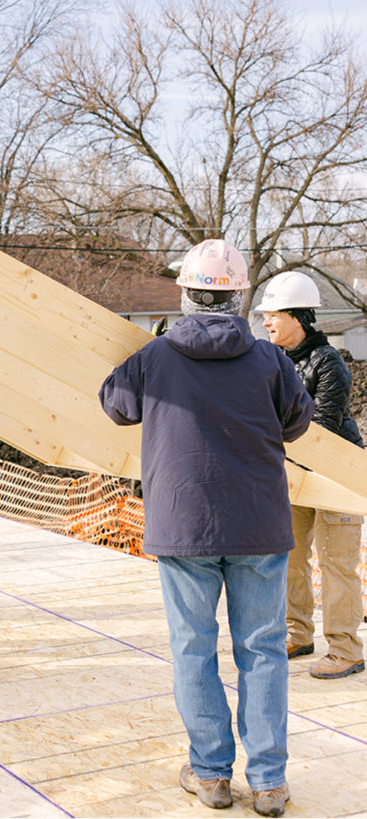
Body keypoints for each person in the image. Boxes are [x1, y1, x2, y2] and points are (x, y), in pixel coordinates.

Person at [99, 239, 313, 818]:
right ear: (238, 293)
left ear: (187, 294)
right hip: (260, 525)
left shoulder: (156, 356)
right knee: (263, 650)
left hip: (184, 525)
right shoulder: (270, 359)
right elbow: (297, 423)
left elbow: (113, 406)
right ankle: (269, 783)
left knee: (194, 649)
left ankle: (212, 775)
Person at [256, 271, 365, 680]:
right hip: (295, 471)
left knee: (337, 563)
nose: (266, 323)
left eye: (273, 316)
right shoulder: (274, 360)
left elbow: (320, 427)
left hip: (338, 473)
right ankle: (298, 634)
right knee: (292, 556)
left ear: (297, 317)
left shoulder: (329, 363)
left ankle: (346, 650)